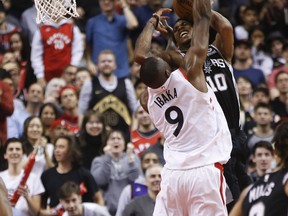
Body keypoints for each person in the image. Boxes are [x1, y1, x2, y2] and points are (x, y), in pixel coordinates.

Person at [135, 1, 232, 215]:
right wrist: (201, 4)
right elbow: (204, 20)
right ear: (169, 71)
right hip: (204, 170)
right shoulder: (191, 75)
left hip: (172, 175)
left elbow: (140, 56)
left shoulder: (147, 101)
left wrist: (152, 23)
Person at [229, 121, 288, 216]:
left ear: (275, 152)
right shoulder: (284, 180)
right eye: (260, 155)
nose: (263, 159)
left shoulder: (248, 191)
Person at [78, 50, 138, 141]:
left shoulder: (126, 83)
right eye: (103, 61)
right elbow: (81, 113)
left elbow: (135, 111)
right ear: (97, 65)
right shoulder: (89, 84)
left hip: (123, 137)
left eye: (109, 61)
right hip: (96, 138)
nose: (106, 64)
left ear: (115, 65)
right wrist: (82, 135)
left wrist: (134, 134)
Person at [40, 135, 104, 215]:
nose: (57, 150)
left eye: (61, 147)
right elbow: (41, 207)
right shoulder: (47, 175)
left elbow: (98, 199)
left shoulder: (83, 173)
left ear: (71, 150)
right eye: (56, 147)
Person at [90, 130, 141, 215]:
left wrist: (131, 160)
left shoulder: (133, 158)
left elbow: (136, 180)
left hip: (130, 210)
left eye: (119, 138)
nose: (116, 141)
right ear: (106, 143)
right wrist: (107, 159)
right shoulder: (99, 161)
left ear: (124, 143)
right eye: (112, 138)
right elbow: (100, 181)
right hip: (107, 211)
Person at [0, 138, 45, 216]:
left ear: (23, 154)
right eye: (11, 149)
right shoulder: (0, 178)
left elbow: (36, 213)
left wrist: (27, 197)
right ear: (5, 155)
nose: (14, 152)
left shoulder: (33, 178)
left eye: (18, 149)